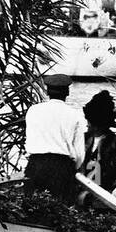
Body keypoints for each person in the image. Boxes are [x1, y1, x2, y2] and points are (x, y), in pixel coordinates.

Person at [22, 73, 86, 203]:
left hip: (36, 164)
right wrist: (73, 168)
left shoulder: (33, 110)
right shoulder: (75, 115)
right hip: (61, 167)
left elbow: (29, 139)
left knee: (32, 206)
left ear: (47, 91)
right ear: (67, 92)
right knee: (61, 208)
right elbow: (79, 154)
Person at [80, 90, 116, 197]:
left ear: (98, 124)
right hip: (80, 190)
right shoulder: (81, 139)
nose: (87, 125)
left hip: (105, 192)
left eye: (89, 122)